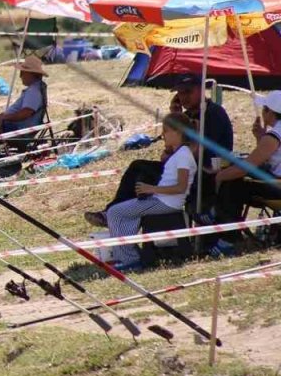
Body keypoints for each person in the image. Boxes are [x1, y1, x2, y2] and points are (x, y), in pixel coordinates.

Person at [84, 75, 233, 227]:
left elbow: (197, 152)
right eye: (180, 93)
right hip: (181, 169)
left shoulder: (213, 114)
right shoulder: (187, 117)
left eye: (188, 92)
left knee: (142, 172)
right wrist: (174, 116)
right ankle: (117, 217)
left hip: (203, 173)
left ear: (201, 91)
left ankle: (116, 216)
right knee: (139, 170)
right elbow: (166, 156)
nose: (184, 97)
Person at [104, 113, 196, 271]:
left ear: (178, 132)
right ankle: (129, 254)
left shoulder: (183, 155)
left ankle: (130, 260)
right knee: (119, 211)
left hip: (167, 203)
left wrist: (151, 189)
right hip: (161, 199)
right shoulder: (179, 154)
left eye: (166, 131)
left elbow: (181, 187)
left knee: (115, 212)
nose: (163, 135)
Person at [211, 91, 281, 253]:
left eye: (264, 109)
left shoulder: (274, 136)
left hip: (277, 188)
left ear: (269, 112)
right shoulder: (273, 135)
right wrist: (260, 138)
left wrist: (220, 176)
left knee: (234, 180)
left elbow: (247, 167)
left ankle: (228, 237)